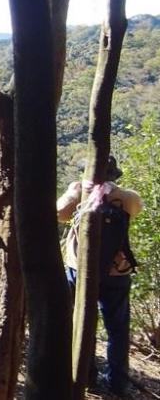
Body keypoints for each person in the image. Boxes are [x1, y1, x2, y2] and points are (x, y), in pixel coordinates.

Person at [57, 155, 143, 397]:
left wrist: (77, 192)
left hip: (79, 267)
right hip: (117, 270)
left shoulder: (78, 191)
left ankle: (85, 374)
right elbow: (136, 210)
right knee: (117, 328)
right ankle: (117, 382)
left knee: (82, 321)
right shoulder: (127, 197)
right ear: (114, 174)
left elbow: (59, 213)